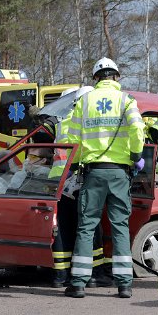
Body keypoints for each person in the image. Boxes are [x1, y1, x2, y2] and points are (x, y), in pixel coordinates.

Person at [59, 58, 145, 299]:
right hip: (119, 172)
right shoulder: (127, 100)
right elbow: (138, 129)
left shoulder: (85, 101)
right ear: (116, 77)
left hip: (93, 172)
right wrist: (136, 154)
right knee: (120, 226)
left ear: (96, 78)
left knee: (86, 227)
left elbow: (71, 137)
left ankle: (77, 283)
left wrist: (75, 164)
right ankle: (124, 284)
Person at [48, 86, 110, 289]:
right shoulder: (85, 120)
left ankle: (61, 275)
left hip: (59, 181)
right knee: (90, 228)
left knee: (63, 229)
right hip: (80, 179)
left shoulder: (63, 121)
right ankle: (95, 273)